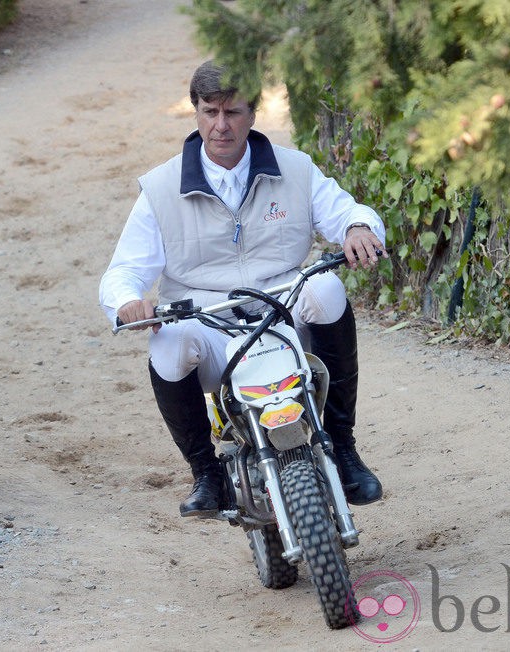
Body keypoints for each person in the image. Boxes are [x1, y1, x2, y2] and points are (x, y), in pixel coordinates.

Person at [99, 60, 387, 517]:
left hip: (281, 310)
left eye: (232, 112)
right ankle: (206, 474)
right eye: (210, 111)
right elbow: (122, 272)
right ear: (194, 112)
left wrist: (357, 229)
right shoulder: (159, 188)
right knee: (168, 342)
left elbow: (350, 211)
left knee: (328, 288)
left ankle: (343, 447)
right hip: (206, 322)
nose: (221, 125)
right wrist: (127, 301)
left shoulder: (294, 169)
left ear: (253, 114)